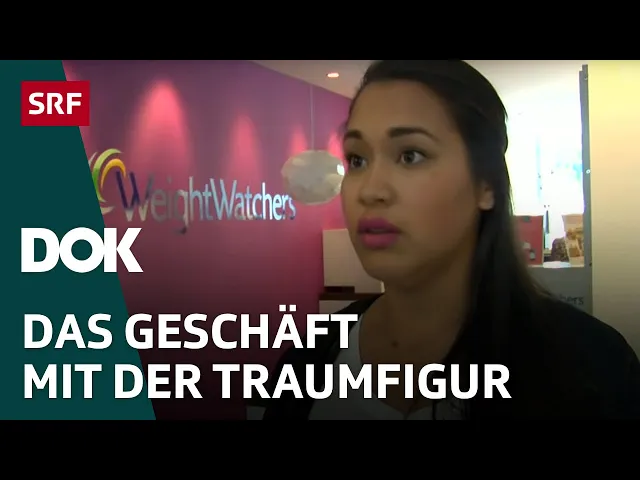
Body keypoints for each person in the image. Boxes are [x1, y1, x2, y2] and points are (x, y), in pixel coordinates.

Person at [263, 60, 640, 420]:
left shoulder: (592, 368)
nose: (370, 190)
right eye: (357, 160)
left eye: (410, 155)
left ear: (486, 185)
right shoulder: (311, 357)